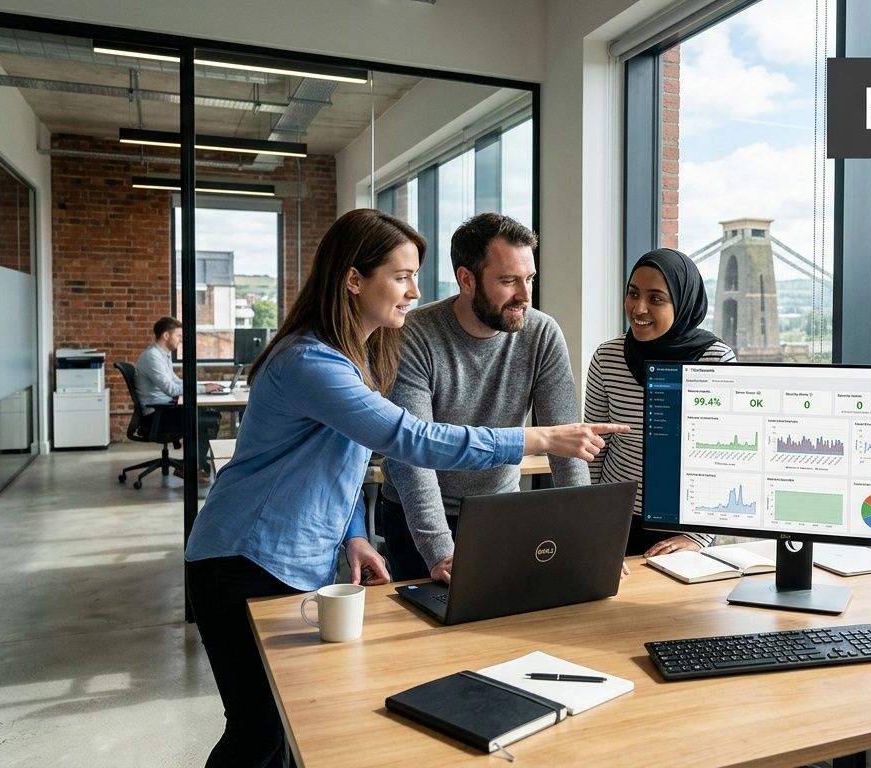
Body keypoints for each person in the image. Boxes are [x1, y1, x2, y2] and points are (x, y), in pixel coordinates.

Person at [184, 209, 625, 768]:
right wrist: (536, 438)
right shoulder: (311, 361)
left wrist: (353, 533)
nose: (415, 291)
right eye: (401, 276)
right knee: (260, 732)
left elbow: (338, 460)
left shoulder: (353, 354)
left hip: (296, 558)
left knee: (295, 727)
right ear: (353, 279)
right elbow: (409, 439)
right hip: (243, 558)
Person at [379, 212, 587, 584]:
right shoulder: (413, 336)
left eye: (529, 279)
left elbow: (564, 443)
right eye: (508, 281)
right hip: (417, 517)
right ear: (466, 280)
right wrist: (442, 553)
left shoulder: (541, 334)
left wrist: (588, 538)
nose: (524, 295)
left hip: (498, 512)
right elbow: (415, 456)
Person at [584, 248, 736, 558]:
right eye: (633, 293)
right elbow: (594, 449)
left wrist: (698, 536)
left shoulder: (715, 360)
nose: (638, 308)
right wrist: (591, 520)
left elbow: (725, 460)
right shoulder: (607, 357)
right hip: (615, 520)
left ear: (682, 304)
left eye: (655, 299)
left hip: (684, 528)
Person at [132, 316, 224, 480]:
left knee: (211, 414)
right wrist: (203, 388)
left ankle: (193, 465)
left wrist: (203, 385)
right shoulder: (152, 356)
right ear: (166, 335)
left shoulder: (162, 355)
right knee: (207, 420)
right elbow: (171, 389)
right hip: (157, 415)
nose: (181, 340)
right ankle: (192, 468)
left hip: (166, 408)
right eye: (178, 336)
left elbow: (177, 382)